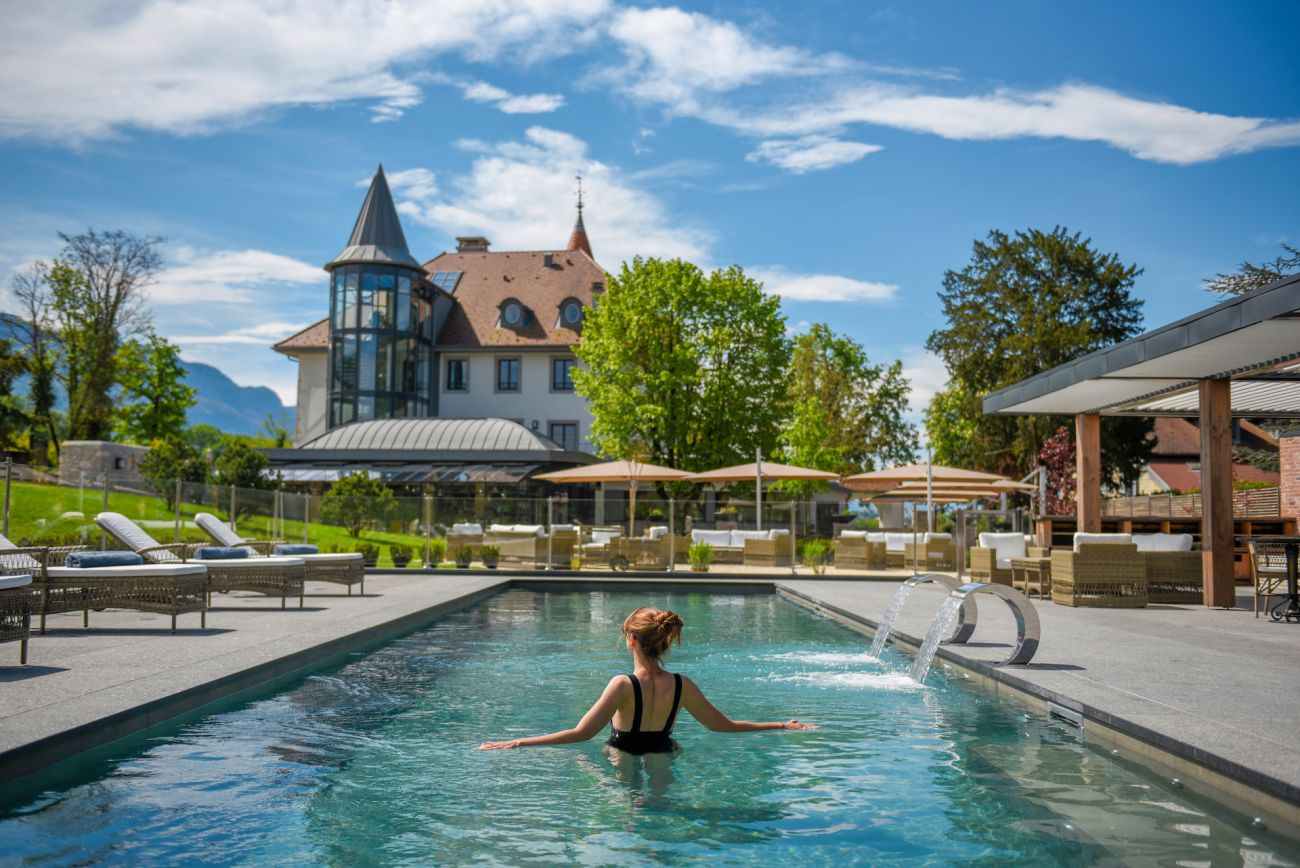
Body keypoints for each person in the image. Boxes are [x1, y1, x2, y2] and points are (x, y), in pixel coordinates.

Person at [478, 606, 817, 752]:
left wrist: (520, 742)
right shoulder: (682, 684)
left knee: (634, 818)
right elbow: (722, 725)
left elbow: (581, 734)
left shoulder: (622, 685)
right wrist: (779, 725)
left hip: (622, 755)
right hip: (664, 752)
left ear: (632, 640)